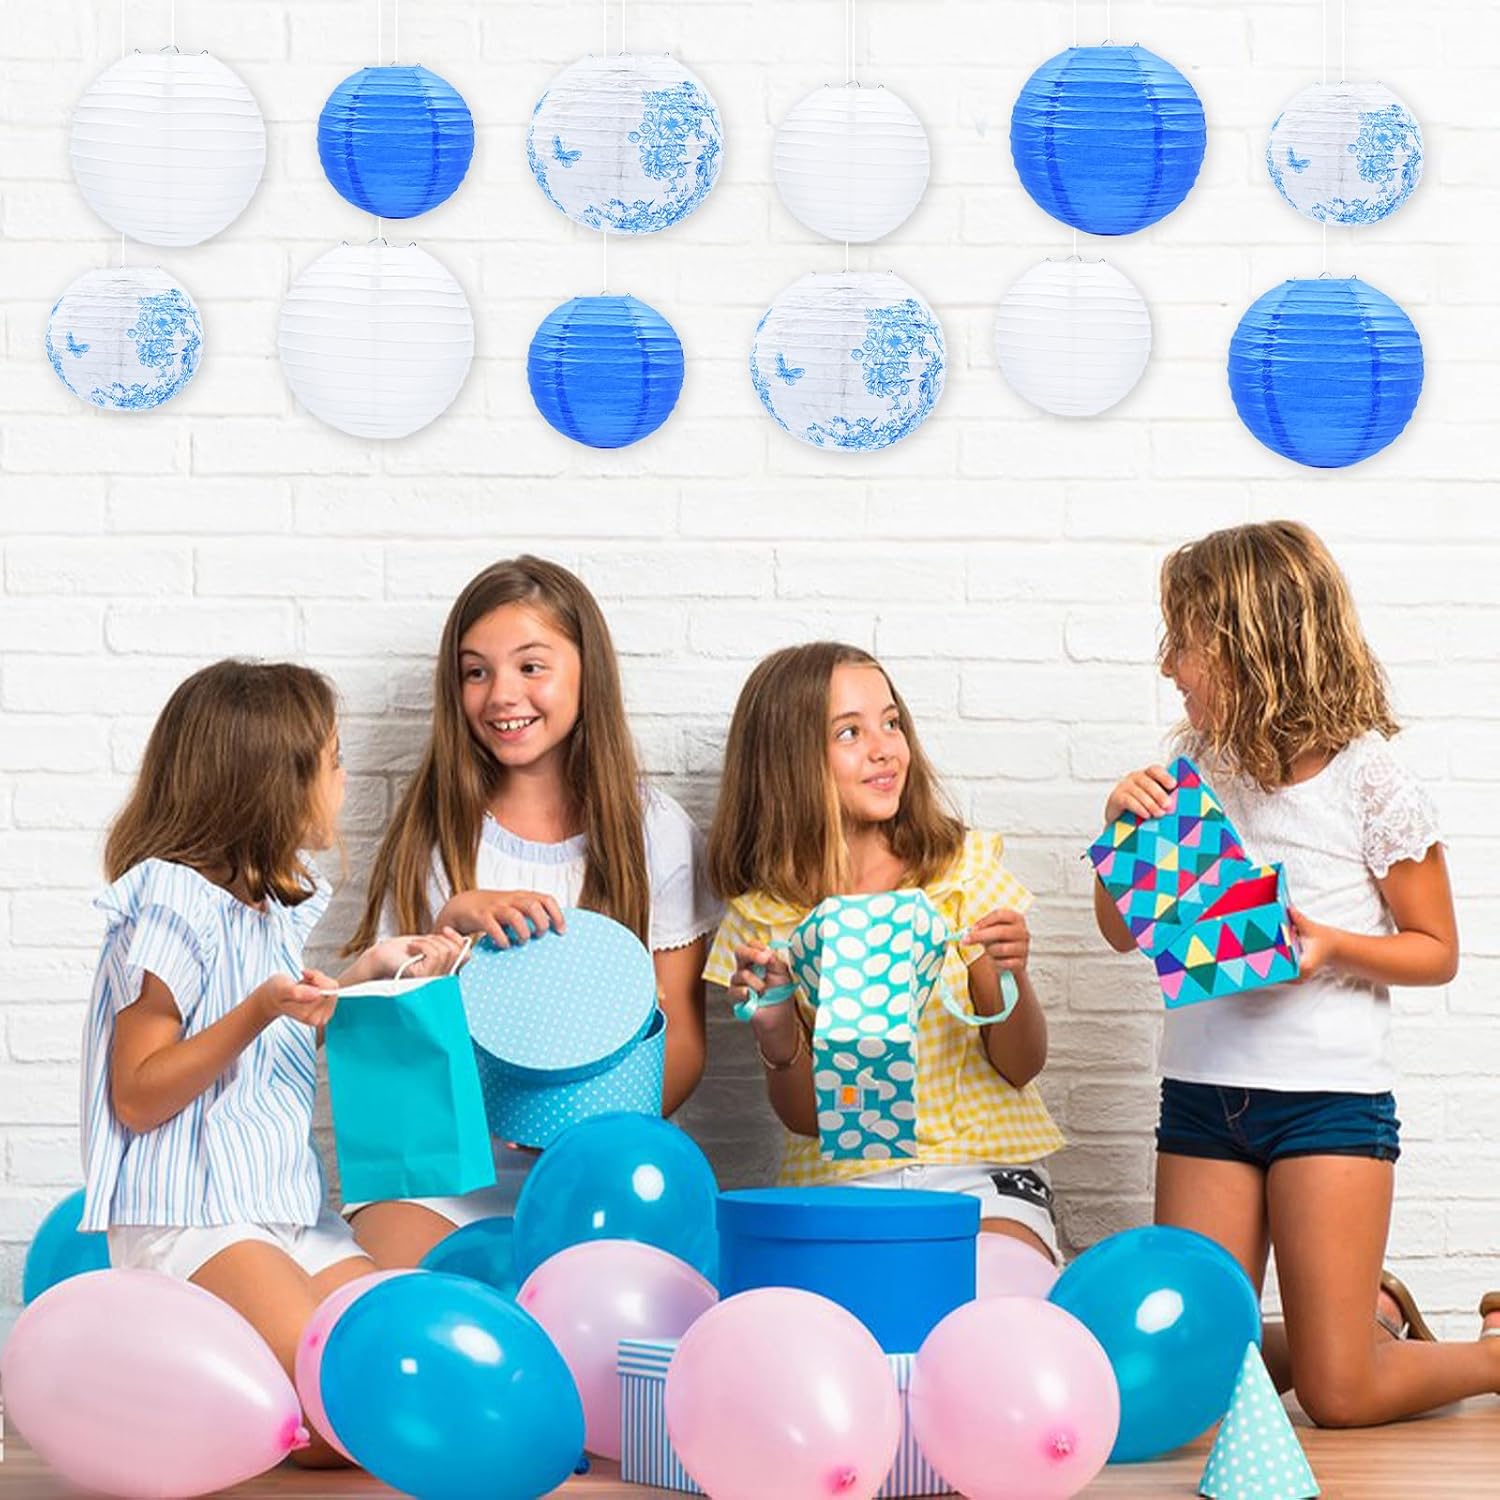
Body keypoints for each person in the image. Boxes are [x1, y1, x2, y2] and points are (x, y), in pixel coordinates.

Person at [1095, 519, 1499, 1426]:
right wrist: (1122, 828)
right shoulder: (1193, 765)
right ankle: (1365, 1320)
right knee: (1192, 1371)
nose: (1168, 666)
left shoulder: (1370, 781)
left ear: (1251, 650)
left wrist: (1328, 947)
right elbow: (1124, 933)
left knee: (1337, 1396)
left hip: (1329, 1104)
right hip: (1203, 1098)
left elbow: (1436, 950)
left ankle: (1488, 1355)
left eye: (1184, 643)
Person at [80, 660, 462, 1464]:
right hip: (195, 1215)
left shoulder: (268, 906)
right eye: (334, 762)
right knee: (336, 1419)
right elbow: (138, 1095)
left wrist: (359, 980)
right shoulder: (170, 907)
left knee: (405, 1381)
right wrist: (258, 1009)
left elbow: (261, 1054)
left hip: (285, 1209)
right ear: (272, 783)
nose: (344, 781)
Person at [346, 555, 720, 1266]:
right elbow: (392, 1047)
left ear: (587, 672)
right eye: (475, 671)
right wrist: (448, 936)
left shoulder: (655, 831)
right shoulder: (437, 835)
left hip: (601, 1161)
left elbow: (680, 1042)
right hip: (447, 1166)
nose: (500, 695)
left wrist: (578, 1134)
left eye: (530, 666)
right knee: (392, 1287)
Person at [705, 642, 1063, 1261]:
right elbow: (805, 1119)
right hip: (842, 1183)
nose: (885, 749)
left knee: (994, 1291)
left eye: (891, 723)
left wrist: (1009, 974)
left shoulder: (961, 870)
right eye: (850, 732)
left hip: (983, 1174)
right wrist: (777, 1031)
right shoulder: (765, 917)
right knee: (842, 1310)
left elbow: (1021, 1064)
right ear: (788, 760)